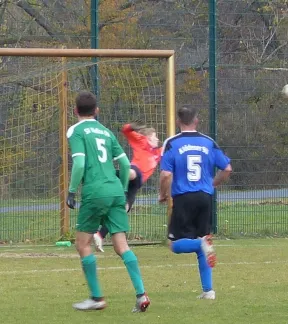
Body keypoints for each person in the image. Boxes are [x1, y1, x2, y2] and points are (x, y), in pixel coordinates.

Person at [66, 90, 150, 312]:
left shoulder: (75, 131)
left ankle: (96, 298)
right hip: (115, 190)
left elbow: (80, 164)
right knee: (121, 245)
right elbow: (124, 165)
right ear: (97, 111)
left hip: (95, 192)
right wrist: (122, 189)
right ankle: (141, 295)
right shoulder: (106, 132)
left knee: (82, 244)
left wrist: (72, 191)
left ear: (75, 111)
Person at [159, 105, 232, 300]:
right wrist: (213, 183)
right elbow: (227, 168)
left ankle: (200, 245)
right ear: (196, 120)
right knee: (203, 239)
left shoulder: (172, 143)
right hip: (205, 197)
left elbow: (166, 174)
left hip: (183, 198)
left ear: (178, 121)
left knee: (174, 244)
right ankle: (208, 291)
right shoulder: (208, 142)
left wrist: (162, 194)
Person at [93, 122, 161, 252]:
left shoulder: (157, 153)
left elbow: (172, 149)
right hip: (134, 173)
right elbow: (125, 130)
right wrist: (133, 127)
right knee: (131, 173)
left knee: (122, 210)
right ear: (147, 137)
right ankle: (107, 173)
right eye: (154, 136)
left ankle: (99, 235)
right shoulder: (141, 142)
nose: (157, 139)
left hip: (135, 185)